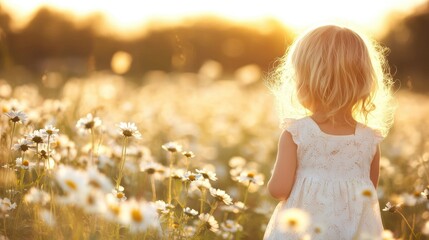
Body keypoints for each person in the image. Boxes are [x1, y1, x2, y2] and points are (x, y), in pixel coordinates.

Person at [263, 25, 396, 239]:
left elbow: (279, 190)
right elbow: (368, 193)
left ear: (309, 81)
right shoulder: (370, 139)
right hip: (353, 232)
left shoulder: (296, 133)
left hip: (302, 231)